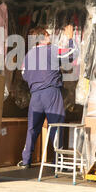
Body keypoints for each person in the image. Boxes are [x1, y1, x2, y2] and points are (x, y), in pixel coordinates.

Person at [17, 25, 78, 168]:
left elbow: (24, 75)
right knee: (56, 126)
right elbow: (72, 54)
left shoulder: (28, 55)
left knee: (32, 128)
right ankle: (59, 162)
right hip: (51, 93)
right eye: (48, 35)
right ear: (42, 37)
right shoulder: (52, 50)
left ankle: (26, 161)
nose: (50, 37)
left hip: (35, 95)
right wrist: (70, 38)